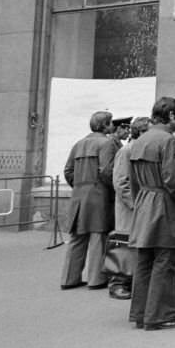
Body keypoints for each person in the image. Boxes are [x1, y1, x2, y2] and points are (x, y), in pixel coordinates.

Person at [128, 96, 175, 331]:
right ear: (171, 115)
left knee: (144, 261)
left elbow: (132, 180)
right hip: (164, 204)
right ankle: (159, 315)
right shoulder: (168, 141)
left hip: (144, 201)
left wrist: (140, 200)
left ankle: (141, 313)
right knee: (165, 261)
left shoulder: (139, 141)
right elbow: (173, 180)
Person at [60, 111, 118, 291]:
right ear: (106, 125)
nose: (112, 126)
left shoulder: (79, 144)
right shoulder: (107, 143)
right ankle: (96, 279)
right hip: (99, 194)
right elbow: (107, 171)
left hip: (79, 194)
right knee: (97, 236)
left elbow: (68, 171)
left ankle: (69, 278)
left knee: (77, 237)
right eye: (110, 123)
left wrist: (79, 185)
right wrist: (112, 189)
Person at [109, 116, 149, 300]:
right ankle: (117, 283)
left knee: (134, 248)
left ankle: (130, 282)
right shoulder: (126, 152)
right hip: (129, 210)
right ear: (140, 133)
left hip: (139, 208)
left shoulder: (140, 150)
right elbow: (121, 182)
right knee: (123, 248)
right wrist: (135, 205)